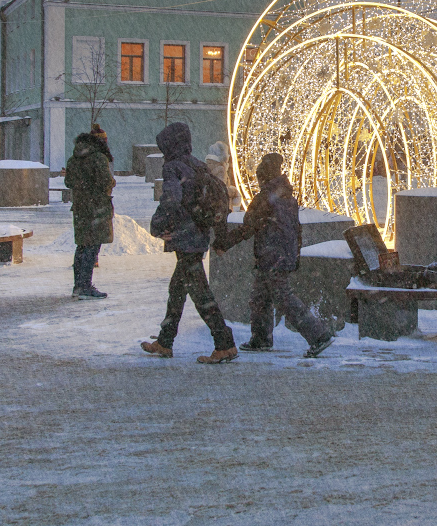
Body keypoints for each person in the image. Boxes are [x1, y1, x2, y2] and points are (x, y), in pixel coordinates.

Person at [215, 153, 334, 358]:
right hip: (279, 254)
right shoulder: (287, 196)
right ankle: (261, 339)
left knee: (283, 297)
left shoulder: (266, 198)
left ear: (264, 177)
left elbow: (249, 226)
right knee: (260, 297)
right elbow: (295, 229)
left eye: (259, 178)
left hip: (271, 255)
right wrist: (294, 255)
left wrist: (224, 243)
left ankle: (319, 335)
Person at [142, 122, 236, 363]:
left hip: (186, 237)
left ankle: (224, 343)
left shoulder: (174, 166)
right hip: (197, 232)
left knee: (200, 293)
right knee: (177, 290)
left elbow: (171, 200)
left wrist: (158, 226)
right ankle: (165, 341)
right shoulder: (196, 164)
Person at [64, 124, 115, 299]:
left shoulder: (73, 159)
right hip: (97, 208)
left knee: (82, 246)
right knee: (92, 247)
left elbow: (69, 182)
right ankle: (85, 287)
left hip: (80, 208)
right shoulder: (98, 158)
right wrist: (111, 183)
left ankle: (78, 286)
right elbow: (105, 182)